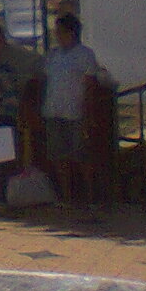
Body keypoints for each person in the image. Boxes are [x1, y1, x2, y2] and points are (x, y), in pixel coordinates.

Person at [42, 13, 108, 208]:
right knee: (58, 156)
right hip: (54, 112)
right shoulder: (53, 56)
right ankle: (66, 196)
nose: (57, 35)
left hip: (76, 113)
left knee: (81, 156)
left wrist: (88, 114)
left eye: (60, 32)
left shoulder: (85, 55)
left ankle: (90, 196)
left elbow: (90, 86)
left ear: (71, 33)